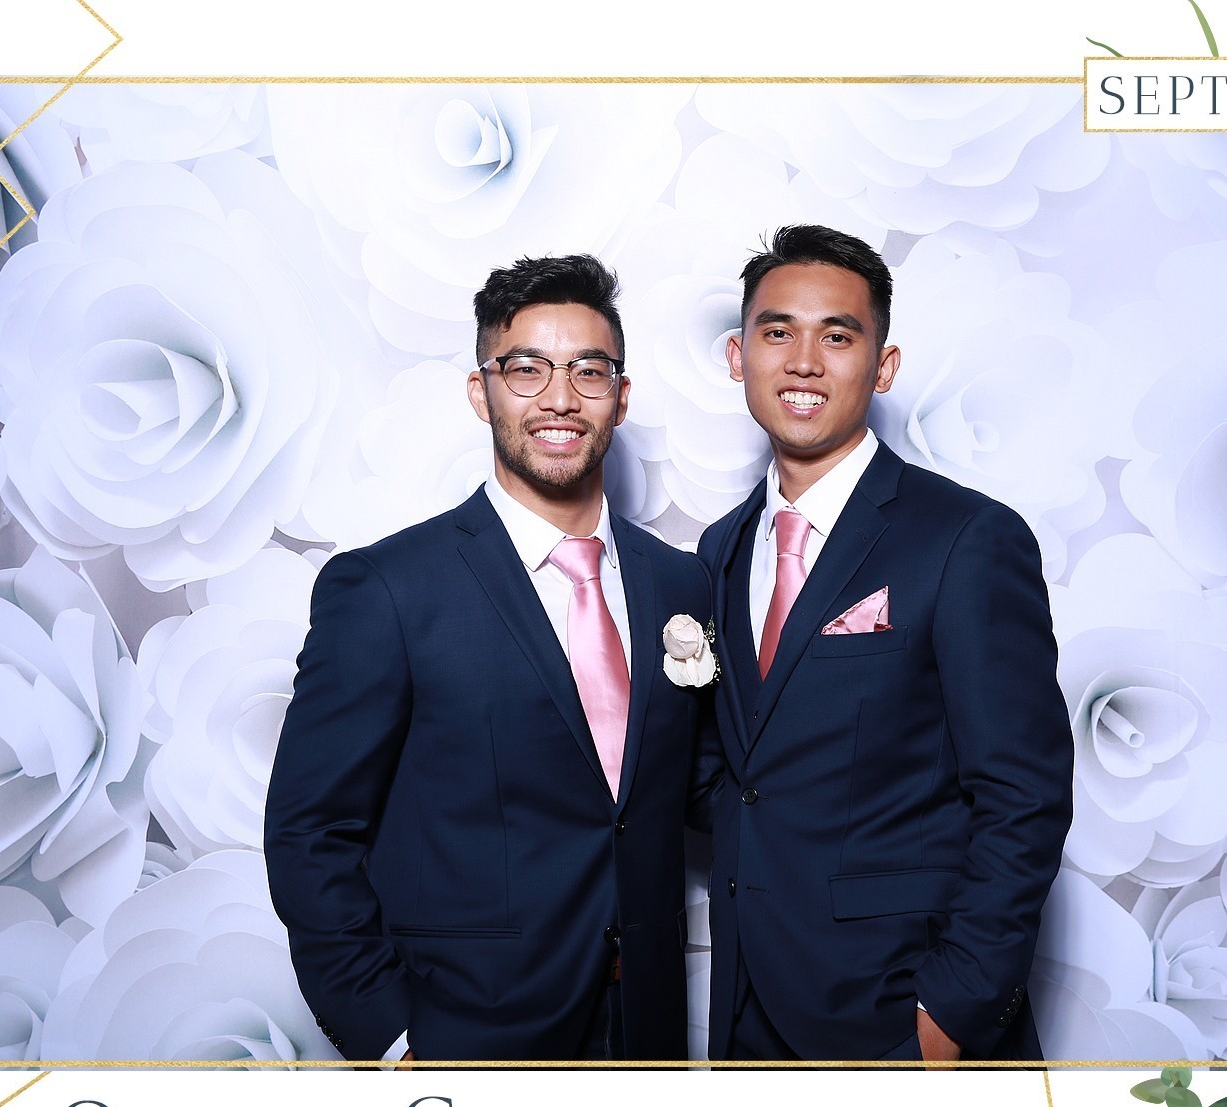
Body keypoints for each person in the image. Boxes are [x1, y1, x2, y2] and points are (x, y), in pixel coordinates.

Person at [265, 254, 712, 1063]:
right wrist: (391, 1038)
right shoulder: (387, 590)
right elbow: (310, 832)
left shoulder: (680, 584)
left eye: (588, 371)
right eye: (527, 369)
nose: (560, 398)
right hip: (466, 1036)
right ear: (482, 392)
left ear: (621, 397)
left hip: (646, 1030)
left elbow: (707, 790)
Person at [697, 225, 1074, 1063]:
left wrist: (955, 1010)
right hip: (747, 1009)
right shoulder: (721, 550)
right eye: (777, 332)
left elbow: (1024, 793)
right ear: (737, 355)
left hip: (900, 1011)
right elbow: (740, 775)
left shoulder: (966, 538)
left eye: (837, 337)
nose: (803, 362)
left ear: (884, 366)